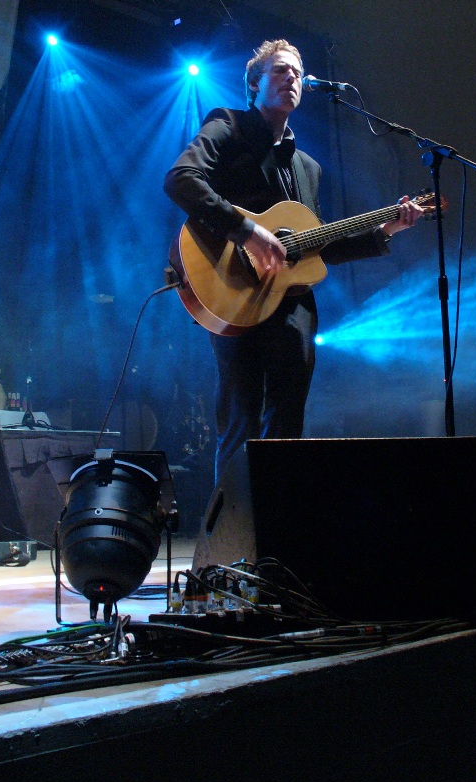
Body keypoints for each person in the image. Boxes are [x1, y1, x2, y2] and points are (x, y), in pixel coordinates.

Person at [164, 39, 423, 481]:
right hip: (232, 291)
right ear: (253, 83)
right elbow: (181, 179)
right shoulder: (228, 126)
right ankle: (232, 538)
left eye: (298, 74)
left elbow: (313, 246)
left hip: (292, 305)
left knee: (287, 422)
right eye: (281, 71)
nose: (292, 79)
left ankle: (277, 533)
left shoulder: (309, 167)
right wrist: (246, 231)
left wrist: (384, 232)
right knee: (241, 417)